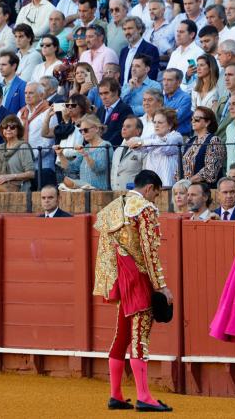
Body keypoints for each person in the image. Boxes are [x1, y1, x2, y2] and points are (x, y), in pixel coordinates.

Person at [93, 169, 173, 413]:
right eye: (156, 195)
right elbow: (150, 252)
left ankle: (116, 395)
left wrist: (113, 283)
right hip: (138, 279)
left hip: (121, 278)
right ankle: (144, 397)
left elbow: (106, 251)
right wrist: (161, 285)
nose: (155, 200)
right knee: (139, 337)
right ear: (149, 188)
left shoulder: (115, 207)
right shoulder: (145, 209)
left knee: (122, 336)